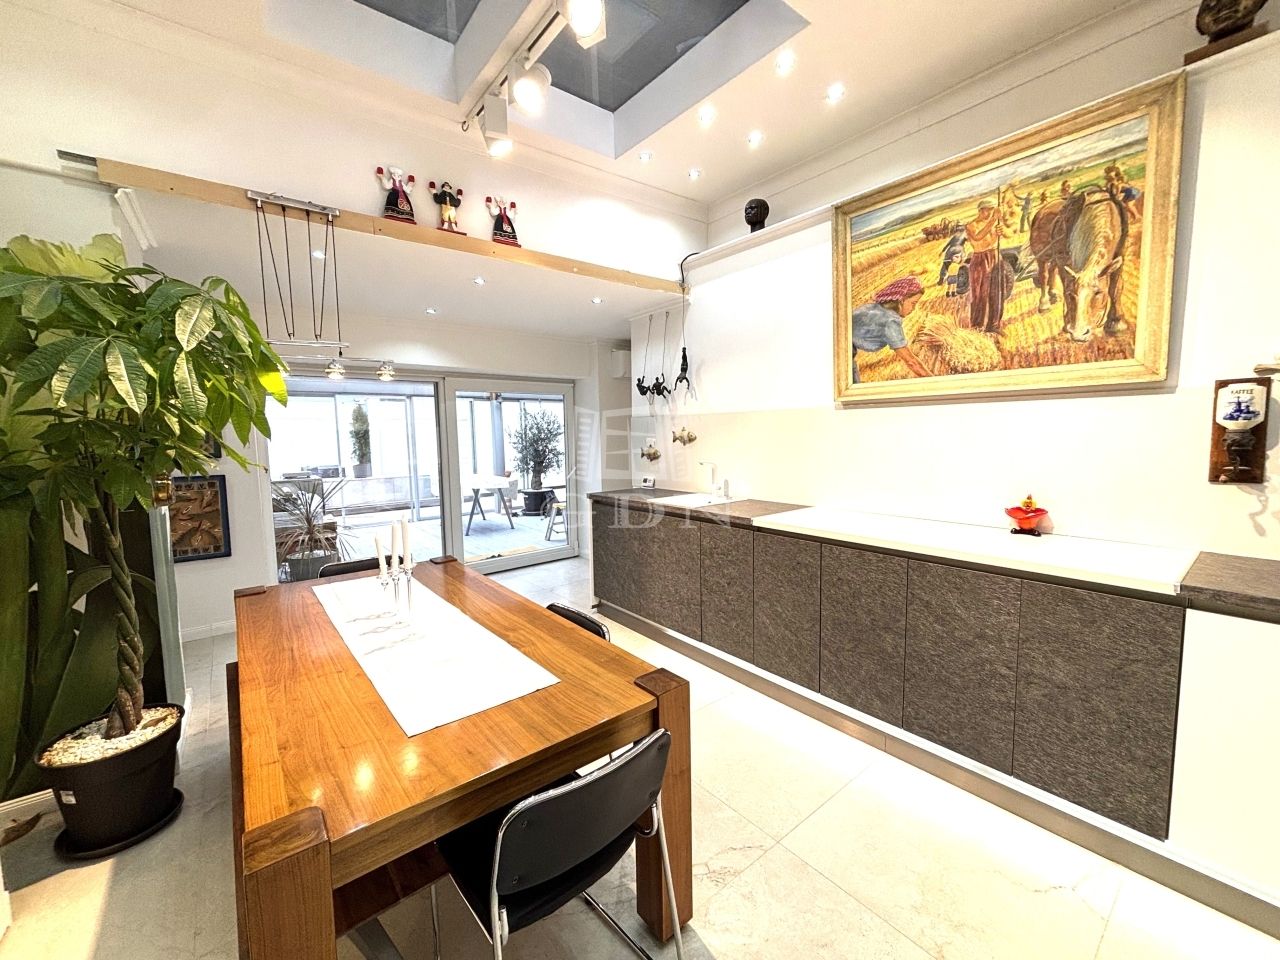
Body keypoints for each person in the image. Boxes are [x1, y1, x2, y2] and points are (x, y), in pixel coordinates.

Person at [851, 276, 930, 381]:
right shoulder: (890, 321)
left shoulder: (875, 307)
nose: (914, 309)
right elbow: (911, 362)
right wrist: (934, 380)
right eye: (913, 303)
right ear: (901, 300)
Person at [965, 198, 1007, 332]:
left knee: (997, 291)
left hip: (995, 256)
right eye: (987, 210)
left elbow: (1008, 234)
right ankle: (977, 326)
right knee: (980, 294)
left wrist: (1002, 231)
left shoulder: (994, 223)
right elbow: (978, 237)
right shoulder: (971, 225)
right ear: (980, 210)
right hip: (980, 259)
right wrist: (993, 220)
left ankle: (994, 325)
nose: (989, 213)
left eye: (991, 210)